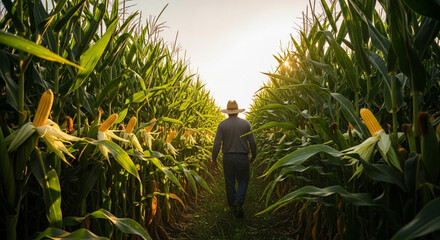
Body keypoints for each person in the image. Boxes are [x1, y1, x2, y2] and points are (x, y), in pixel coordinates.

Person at [211, 100, 257, 218]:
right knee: (243, 180)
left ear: (227, 112)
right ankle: (238, 202)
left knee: (229, 182)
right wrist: (254, 155)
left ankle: (233, 208)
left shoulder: (222, 125)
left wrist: (214, 159)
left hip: (228, 157)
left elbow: (216, 144)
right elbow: (252, 141)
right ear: (237, 112)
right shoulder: (246, 124)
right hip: (243, 157)